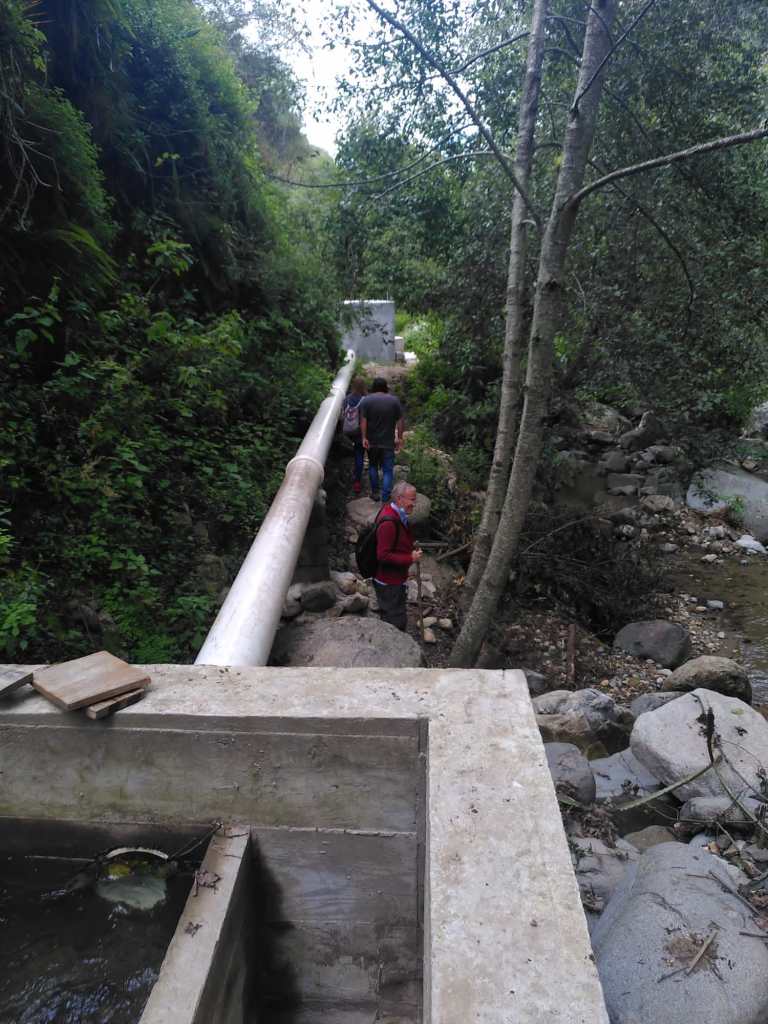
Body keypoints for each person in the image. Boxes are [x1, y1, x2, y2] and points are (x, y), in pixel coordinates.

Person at [373, 480, 422, 632]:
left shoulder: (396, 513)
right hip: (389, 582)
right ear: (400, 499)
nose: (414, 504)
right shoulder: (389, 522)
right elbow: (383, 556)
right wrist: (410, 558)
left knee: (393, 616)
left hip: (395, 579)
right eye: (412, 499)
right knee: (395, 622)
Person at [359, 377, 404, 503]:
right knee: (388, 470)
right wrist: (400, 438)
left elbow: (363, 421)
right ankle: (385, 496)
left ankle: (375, 493)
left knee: (373, 466)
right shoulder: (394, 401)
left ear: (373, 387)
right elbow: (400, 421)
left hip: (372, 442)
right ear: (385, 387)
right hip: (388, 442)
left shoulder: (367, 401)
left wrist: (364, 437)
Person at [341, 376, 367, 494]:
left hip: (348, 431)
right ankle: (357, 482)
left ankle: (347, 477)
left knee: (351, 454)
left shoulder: (346, 399)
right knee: (360, 455)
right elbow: (365, 419)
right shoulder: (364, 400)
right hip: (359, 432)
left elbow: (343, 415)